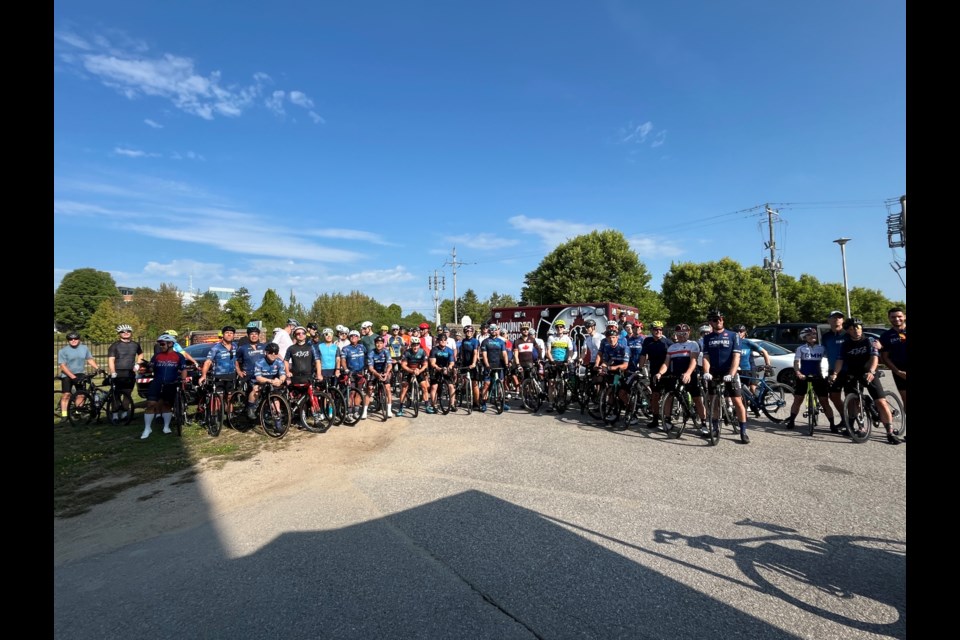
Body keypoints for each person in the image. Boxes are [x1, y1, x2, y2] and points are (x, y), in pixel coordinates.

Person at [831, 317, 900, 445]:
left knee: (881, 402)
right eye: (852, 329)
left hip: (869, 373)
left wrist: (872, 371)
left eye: (857, 328)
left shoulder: (870, 340)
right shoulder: (845, 345)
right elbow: (840, 360)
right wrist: (835, 373)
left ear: (861, 328)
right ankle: (860, 426)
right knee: (853, 401)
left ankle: (890, 432)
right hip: (852, 374)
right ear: (848, 331)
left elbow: (874, 357)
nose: (856, 331)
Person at [701, 310, 750, 444]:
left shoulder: (733, 335)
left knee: (737, 401)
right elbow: (706, 357)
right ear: (710, 322)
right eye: (716, 320)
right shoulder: (707, 338)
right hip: (714, 373)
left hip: (729, 372)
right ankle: (715, 428)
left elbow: (736, 357)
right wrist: (706, 371)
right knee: (714, 402)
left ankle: (743, 431)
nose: (719, 321)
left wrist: (731, 374)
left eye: (721, 318)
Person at [653, 324, 705, 430]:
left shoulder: (693, 344)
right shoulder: (672, 347)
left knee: (697, 399)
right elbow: (666, 363)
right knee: (669, 396)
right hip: (675, 375)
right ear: (676, 334)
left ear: (688, 333)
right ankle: (667, 420)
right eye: (679, 334)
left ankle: (704, 422)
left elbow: (693, 360)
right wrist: (660, 373)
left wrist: (688, 373)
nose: (681, 336)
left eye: (684, 333)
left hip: (689, 374)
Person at [785, 327, 836, 433]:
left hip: (818, 376)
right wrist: (798, 372)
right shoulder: (801, 348)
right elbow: (796, 362)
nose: (812, 336)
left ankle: (832, 424)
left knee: (824, 401)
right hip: (803, 375)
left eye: (814, 334)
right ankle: (792, 421)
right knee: (798, 399)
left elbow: (829, 360)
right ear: (804, 337)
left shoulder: (822, 348)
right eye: (809, 335)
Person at [141, 334, 187, 439]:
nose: (160, 346)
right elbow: (151, 369)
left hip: (171, 383)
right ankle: (147, 428)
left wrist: (183, 381)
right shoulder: (157, 356)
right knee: (150, 404)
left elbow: (183, 369)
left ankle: (166, 427)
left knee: (167, 405)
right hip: (157, 382)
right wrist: (149, 367)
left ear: (170, 344)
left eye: (162, 344)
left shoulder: (179, 356)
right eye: (159, 344)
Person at [638, 320, 673, 429]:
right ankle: (655, 419)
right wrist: (640, 368)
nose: (658, 331)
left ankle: (667, 419)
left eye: (660, 329)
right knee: (655, 396)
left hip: (668, 372)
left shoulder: (668, 342)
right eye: (655, 329)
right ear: (652, 330)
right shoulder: (647, 341)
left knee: (669, 396)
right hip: (654, 371)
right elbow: (643, 355)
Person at [57, 331, 100, 421]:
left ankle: (78, 412)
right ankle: (64, 415)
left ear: (79, 339)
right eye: (71, 339)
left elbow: (89, 359)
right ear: (68, 341)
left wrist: (97, 368)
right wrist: (73, 377)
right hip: (67, 374)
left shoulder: (84, 348)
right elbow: (62, 366)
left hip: (80, 373)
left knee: (81, 395)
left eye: (75, 338)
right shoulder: (63, 351)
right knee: (66, 395)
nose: (73, 340)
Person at [107, 323, 144, 423]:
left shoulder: (135, 345)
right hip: (118, 372)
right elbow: (111, 360)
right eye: (123, 332)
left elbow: (141, 354)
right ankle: (114, 414)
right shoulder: (115, 346)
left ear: (131, 332)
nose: (126, 333)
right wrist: (113, 372)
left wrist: (138, 364)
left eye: (128, 331)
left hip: (130, 372)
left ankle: (124, 413)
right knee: (116, 394)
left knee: (127, 393)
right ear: (119, 334)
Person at [821, 310, 848, 424]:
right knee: (834, 396)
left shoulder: (848, 334)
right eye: (834, 317)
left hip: (849, 369)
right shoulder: (826, 336)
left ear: (843, 320)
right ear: (829, 320)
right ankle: (844, 418)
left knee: (851, 398)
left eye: (839, 317)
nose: (836, 319)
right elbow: (823, 353)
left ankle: (853, 420)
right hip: (833, 370)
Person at [251, 342, 287, 427]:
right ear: (266, 352)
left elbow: (283, 374)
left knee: (276, 401)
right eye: (270, 352)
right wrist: (271, 381)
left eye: (275, 352)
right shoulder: (259, 362)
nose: (273, 354)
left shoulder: (279, 362)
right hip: (261, 381)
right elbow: (258, 378)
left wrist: (281, 381)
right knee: (255, 390)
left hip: (273, 383)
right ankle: (251, 408)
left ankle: (278, 424)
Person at [732, 324, 772, 401]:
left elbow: (764, 352)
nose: (739, 333)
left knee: (752, 390)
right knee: (740, 392)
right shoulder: (731, 343)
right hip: (737, 370)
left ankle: (759, 402)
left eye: (741, 331)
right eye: (736, 332)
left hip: (749, 369)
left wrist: (768, 365)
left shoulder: (747, 343)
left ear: (745, 332)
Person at [879, 307, 907, 412]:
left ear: (904, 316)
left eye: (899, 316)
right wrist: (898, 372)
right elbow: (885, 357)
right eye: (893, 317)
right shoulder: (886, 336)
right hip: (899, 370)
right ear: (889, 318)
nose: (897, 319)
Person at [341, 329, 370, 419]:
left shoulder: (362, 347)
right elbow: (343, 360)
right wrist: (345, 369)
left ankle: (356, 411)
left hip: (361, 373)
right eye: (352, 336)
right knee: (351, 393)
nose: (353, 337)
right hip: (351, 373)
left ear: (358, 338)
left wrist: (367, 368)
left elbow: (367, 357)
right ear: (349, 338)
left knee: (359, 392)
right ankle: (349, 412)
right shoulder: (346, 349)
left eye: (355, 336)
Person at [398, 336, 430, 416]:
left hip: (419, 371)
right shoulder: (407, 352)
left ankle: (427, 406)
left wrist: (419, 370)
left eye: (417, 345)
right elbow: (403, 365)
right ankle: (401, 408)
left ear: (419, 345)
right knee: (404, 389)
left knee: (424, 387)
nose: (415, 347)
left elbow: (425, 364)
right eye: (413, 345)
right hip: (408, 371)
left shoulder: (422, 352)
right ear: (411, 345)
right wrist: (411, 371)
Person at [480, 324, 508, 413]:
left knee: (500, 384)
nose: (493, 331)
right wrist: (487, 365)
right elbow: (484, 355)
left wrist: (507, 363)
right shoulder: (485, 341)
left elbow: (504, 353)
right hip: (489, 365)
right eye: (491, 329)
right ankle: (483, 403)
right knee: (486, 384)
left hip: (499, 365)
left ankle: (501, 402)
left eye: (495, 329)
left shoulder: (501, 341)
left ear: (497, 331)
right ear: (489, 331)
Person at [235, 324, 266, 403]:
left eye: (256, 334)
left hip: (263, 374)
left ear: (258, 335)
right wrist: (239, 371)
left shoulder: (264, 346)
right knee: (253, 393)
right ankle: (250, 410)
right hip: (249, 375)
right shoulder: (243, 348)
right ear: (248, 336)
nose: (254, 336)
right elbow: (235, 360)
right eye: (252, 334)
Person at [367, 335, 395, 418]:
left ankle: (389, 410)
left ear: (383, 344)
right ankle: (364, 411)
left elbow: (390, 365)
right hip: (374, 372)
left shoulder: (386, 352)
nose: (379, 345)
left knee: (388, 389)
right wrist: (377, 375)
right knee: (369, 389)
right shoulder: (371, 352)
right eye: (377, 343)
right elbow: (370, 368)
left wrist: (386, 373)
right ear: (375, 344)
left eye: (381, 343)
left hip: (384, 371)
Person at [428, 333, 456, 414]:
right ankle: (434, 405)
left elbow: (452, 362)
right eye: (441, 340)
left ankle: (452, 404)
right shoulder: (434, 350)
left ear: (446, 341)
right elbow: (432, 363)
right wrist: (438, 368)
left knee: (451, 386)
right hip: (436, 369)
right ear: (437, 341)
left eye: (444, 340)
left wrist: (449, 367)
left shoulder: (449, 350)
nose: (443, 341)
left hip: (446, 369)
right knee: (434, 387)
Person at [459, 325, 481, 408]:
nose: (469, 332)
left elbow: (475, 353)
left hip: (473, 364)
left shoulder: (475, 341)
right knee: (464, 382)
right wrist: (461, 361)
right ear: (465, 332)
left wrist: (474, 363)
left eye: (470, 331)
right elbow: (462, 353)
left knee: (475, 383)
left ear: (473, 332)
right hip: (465, 363)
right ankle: (463, 394)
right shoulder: (463, 341)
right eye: (467, 331)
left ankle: (477, 402)